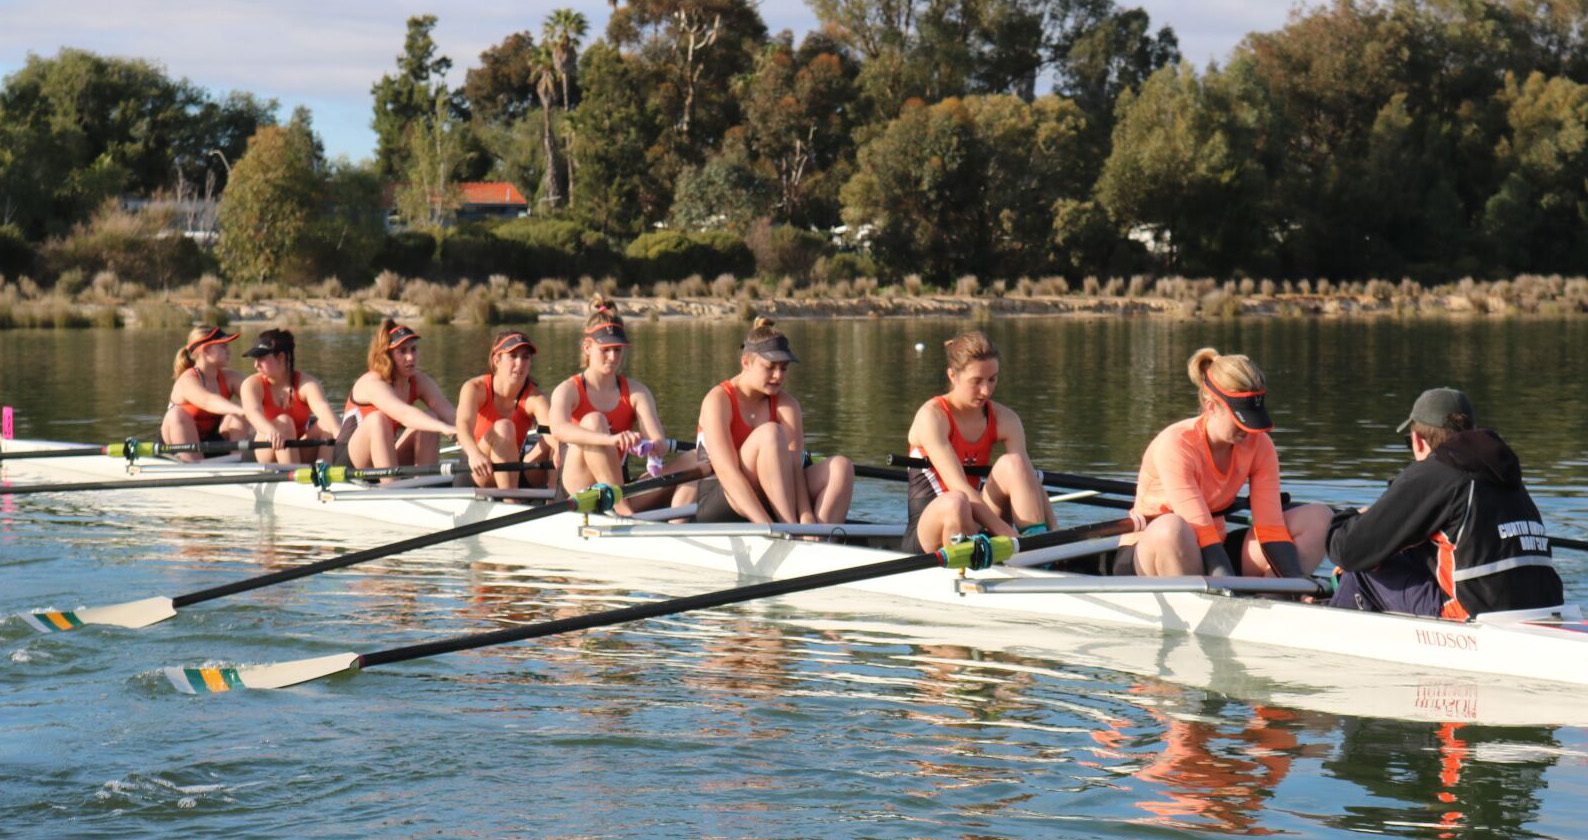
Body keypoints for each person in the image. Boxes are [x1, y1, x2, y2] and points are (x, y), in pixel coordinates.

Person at [1327, 387, 1564, 619]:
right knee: (1393, 555)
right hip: (1546, 608)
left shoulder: (1438, 471)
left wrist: (1347, 518)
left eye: (1409, 444)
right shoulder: (1502, 471)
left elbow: (1348, 550)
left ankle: (1329, 634)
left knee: (1361, 569)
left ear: (1418, 440)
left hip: (1476, 614)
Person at [1115, 347, 1331, 578]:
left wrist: (1292, 583)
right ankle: (1207, 604)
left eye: (1252, 418)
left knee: (1319, 517)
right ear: (1211, 407)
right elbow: (1200, 529)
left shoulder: (1260, 444)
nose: (1248, 430)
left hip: (1214, 548)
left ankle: (1277, 598)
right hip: (1153, 552)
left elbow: (1270, 529)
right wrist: (1228, 593)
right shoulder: (1176, 444)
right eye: (1240, 419)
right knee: (1173, 528)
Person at [901, 330, 1057, 554]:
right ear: (952, 376)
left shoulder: (1006, 419)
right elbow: (959, 487)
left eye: (992, 379)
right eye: (976, 381)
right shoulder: (932, 416)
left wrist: (1053, 530)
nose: (986, 390)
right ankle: (1019, 551)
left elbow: (1028, 479)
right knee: (957, 502)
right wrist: (1007, 533)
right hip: (929, 529)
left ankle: (1040, 550)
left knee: (1014, 464)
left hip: (977, 521)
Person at [692, 317, 854, 525]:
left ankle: (822, 539)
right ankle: (789, 529)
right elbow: (727, 472)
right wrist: (770, 527)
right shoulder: (717, 400)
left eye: (784, 368)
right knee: (770, 433)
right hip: (722, 497)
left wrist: (806, 516)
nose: (778, 376)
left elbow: (795, 469)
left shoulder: (787, 405)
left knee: (841, 467)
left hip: (774, 494)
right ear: (746, 363)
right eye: (770, 367)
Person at [548, 295, 694, 514]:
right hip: (578, 490)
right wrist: (610, 439)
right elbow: (558, 429)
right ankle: (624, 511)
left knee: (696, 458)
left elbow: (658, 439)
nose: (612, 357)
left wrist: (652, 445)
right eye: (605, 350)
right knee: (594, 420)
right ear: (587, 348)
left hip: (618, 487)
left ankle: (677, 522)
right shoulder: (568, 389)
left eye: (617, 349)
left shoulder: (637, 391)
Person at [337, 319, 456, 474]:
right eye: (402, 351)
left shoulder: (418, 381)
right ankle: (390, 486)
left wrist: (479, 434)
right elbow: (405, 415)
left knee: (430, 419)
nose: (410, 357)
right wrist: (445, 428)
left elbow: (451, 415)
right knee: (377, 419)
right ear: (388, 356)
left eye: (413, 349)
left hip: (383, 459)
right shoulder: (372, 382)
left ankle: (426, 486)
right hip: (348, 465)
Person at [455, 329, 554, 489]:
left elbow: (553, 434)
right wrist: (474, 454)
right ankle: (512, 501)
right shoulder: (475, 388)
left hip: (514, 468)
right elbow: (463, 427)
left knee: (556, 439)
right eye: (513, 356)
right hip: (476, 469)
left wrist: (562, 449)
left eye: (525, 357)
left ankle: (556, 500)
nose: (520, 363)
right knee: (504, 427)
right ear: (496, 360)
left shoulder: (536, 399)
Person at [238, 329, 339, 464]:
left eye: (261, 358)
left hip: (296, 447)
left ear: (281, 357)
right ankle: (294, 478)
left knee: (329, 423)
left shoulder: (306, 383)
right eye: (256, 359)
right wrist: (271, 430)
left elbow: (322, 408)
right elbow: (252, 412)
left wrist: (340, 433)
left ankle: (327, 476)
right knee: (284, 422)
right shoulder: (252, 384)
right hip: (265, 447)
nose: (255, 365)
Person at [160, 325, 250, 462]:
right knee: (177, 415)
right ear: (206, 350)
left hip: (210, 442)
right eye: (223, 346)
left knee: (241, 412)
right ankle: (192, 466)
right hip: (175, 446)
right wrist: (244, 411)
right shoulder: (187, 380)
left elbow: (258, 392)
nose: (229, 350)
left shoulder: (229, 377)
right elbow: (208, 401)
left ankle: (236, 464)